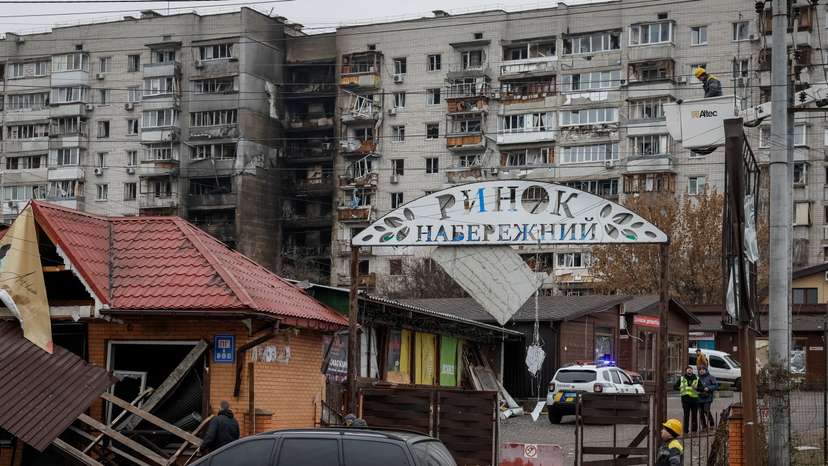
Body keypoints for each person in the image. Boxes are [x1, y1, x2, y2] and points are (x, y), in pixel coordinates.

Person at [673, 366, 699, 434]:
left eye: (690, 369)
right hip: (685, 400)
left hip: (694, 400)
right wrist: (681, 389)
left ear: (692, 371)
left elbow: (701, 388)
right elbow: (675, 387)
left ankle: (694, 430)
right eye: (688, 369)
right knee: (686, 416)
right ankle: (685, 430)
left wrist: (697, 388)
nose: (689, 370)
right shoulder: (682, 378)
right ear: (686, 371)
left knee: (694, 416)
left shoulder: (696, 378)